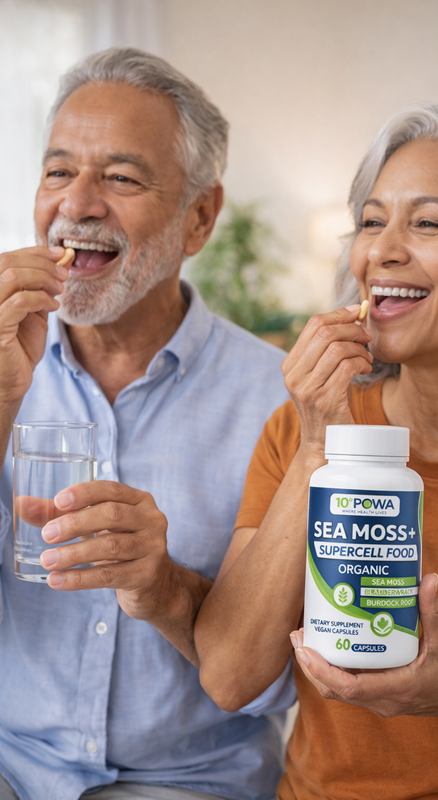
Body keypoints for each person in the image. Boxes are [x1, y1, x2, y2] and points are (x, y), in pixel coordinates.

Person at [195, 104, 438, 799]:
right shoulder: (298, 431)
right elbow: (230, 677)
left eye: (428, 223)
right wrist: (318, 449)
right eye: (372, 220)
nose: (381, 250)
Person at [0, 48, 294, 800]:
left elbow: (278, 683)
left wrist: (163, 587)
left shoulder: (282, 402)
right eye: (59, 171)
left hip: (193, 781)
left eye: (121, 178)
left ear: (200, 217)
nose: (78, 204)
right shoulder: (2, 359)